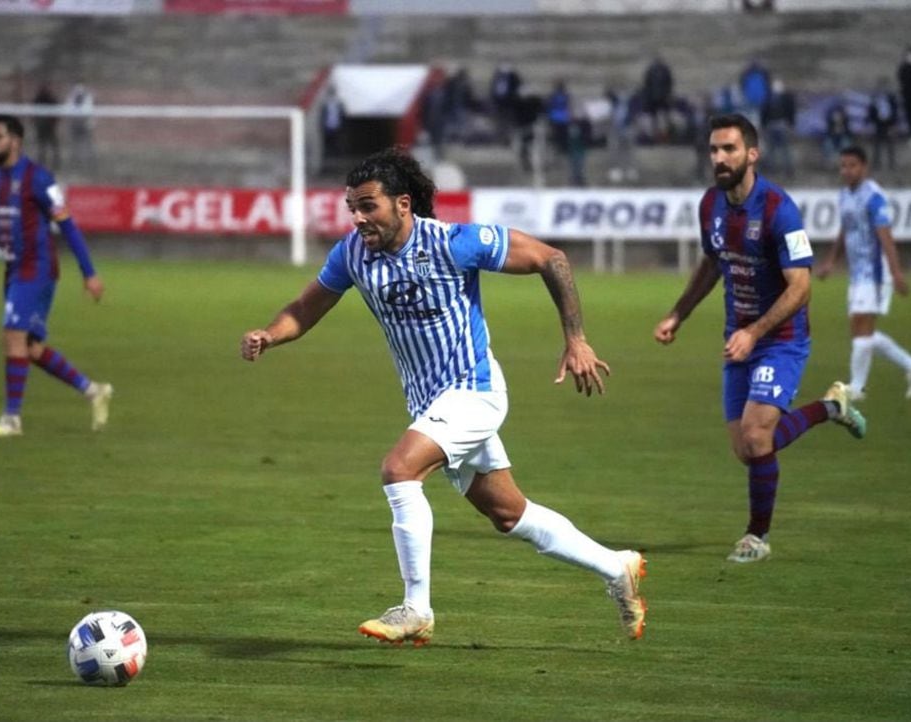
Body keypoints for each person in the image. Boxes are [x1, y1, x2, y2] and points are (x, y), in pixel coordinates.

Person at [241, 147, 647, 645]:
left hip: (473, 392)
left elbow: (551, 258)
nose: (358, 217)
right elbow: (306, 307)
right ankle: (616, 567)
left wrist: (576, 339)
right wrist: (270, 334)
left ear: (404, 204)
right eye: (352, 207)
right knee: (508, 514)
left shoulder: (455, 242)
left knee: (398, 469)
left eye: (369, 206)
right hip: (431, 404)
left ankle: (416, 607)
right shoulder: (351, 254)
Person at [654, 114, 867, 564]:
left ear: (752, 154)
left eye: (729, 149)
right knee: (747, 450)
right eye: (713, 149)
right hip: (740, 339)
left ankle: (756, 537)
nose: (719, 158)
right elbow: (713, 263)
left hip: (781, 339)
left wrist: (755, 332)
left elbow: (801, 286)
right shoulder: (710, 204)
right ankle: (832, 407)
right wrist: (678, 314)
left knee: (756, 438)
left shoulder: (777, 209)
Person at [0, 114, 113, 438]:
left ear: (15, 140)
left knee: (12, 335)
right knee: (29, 348)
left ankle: (11, 420)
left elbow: (68, 225)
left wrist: (89, 273)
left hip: (38, 268)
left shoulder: (39, 178)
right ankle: (93, 391)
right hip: (14, 269)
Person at [815, 146, 911, 401]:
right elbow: (845, 230)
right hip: (857, 274)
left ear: (864, 167)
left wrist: (896, 272)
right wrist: (831, 261)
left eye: (852, 165)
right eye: (843, 165)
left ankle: (856, 388)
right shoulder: (844, 195)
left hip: (875, 274)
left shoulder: (874, 197)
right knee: (860, 333)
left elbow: (886, 237)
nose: (846, 170)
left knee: (861, 328)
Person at [867, 77, 898, 171]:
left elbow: (895, 112)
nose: (883, 88)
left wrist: (893, 125)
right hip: (878, 124)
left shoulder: (891, 99)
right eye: (881, 86)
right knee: (877, 145)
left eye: (885, 86)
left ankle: (891, 164)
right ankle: (876, 164)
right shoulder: (875, 99)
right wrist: (872, 122)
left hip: (888, 124)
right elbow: (871, 111)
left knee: (890, 145)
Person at [67, 82, 96, 167]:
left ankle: (88, 160)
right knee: (75, 144)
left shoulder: (87, 99)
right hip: (75, 125)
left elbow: (89, 112)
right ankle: (75, 160)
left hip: (85, 125)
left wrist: (89, 123)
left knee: (87, 144)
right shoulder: (71, 99)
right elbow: (69, 111)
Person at [33, 82, 60, 170]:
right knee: (42, 146)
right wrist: (37, 123)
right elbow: (34, 113)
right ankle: (41, 163)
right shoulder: (38, 99)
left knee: (54, 146)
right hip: (41, 127)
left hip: (50, 127)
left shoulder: (51, 99)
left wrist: (53, 122)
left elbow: (56, 112)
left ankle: (56, 164)